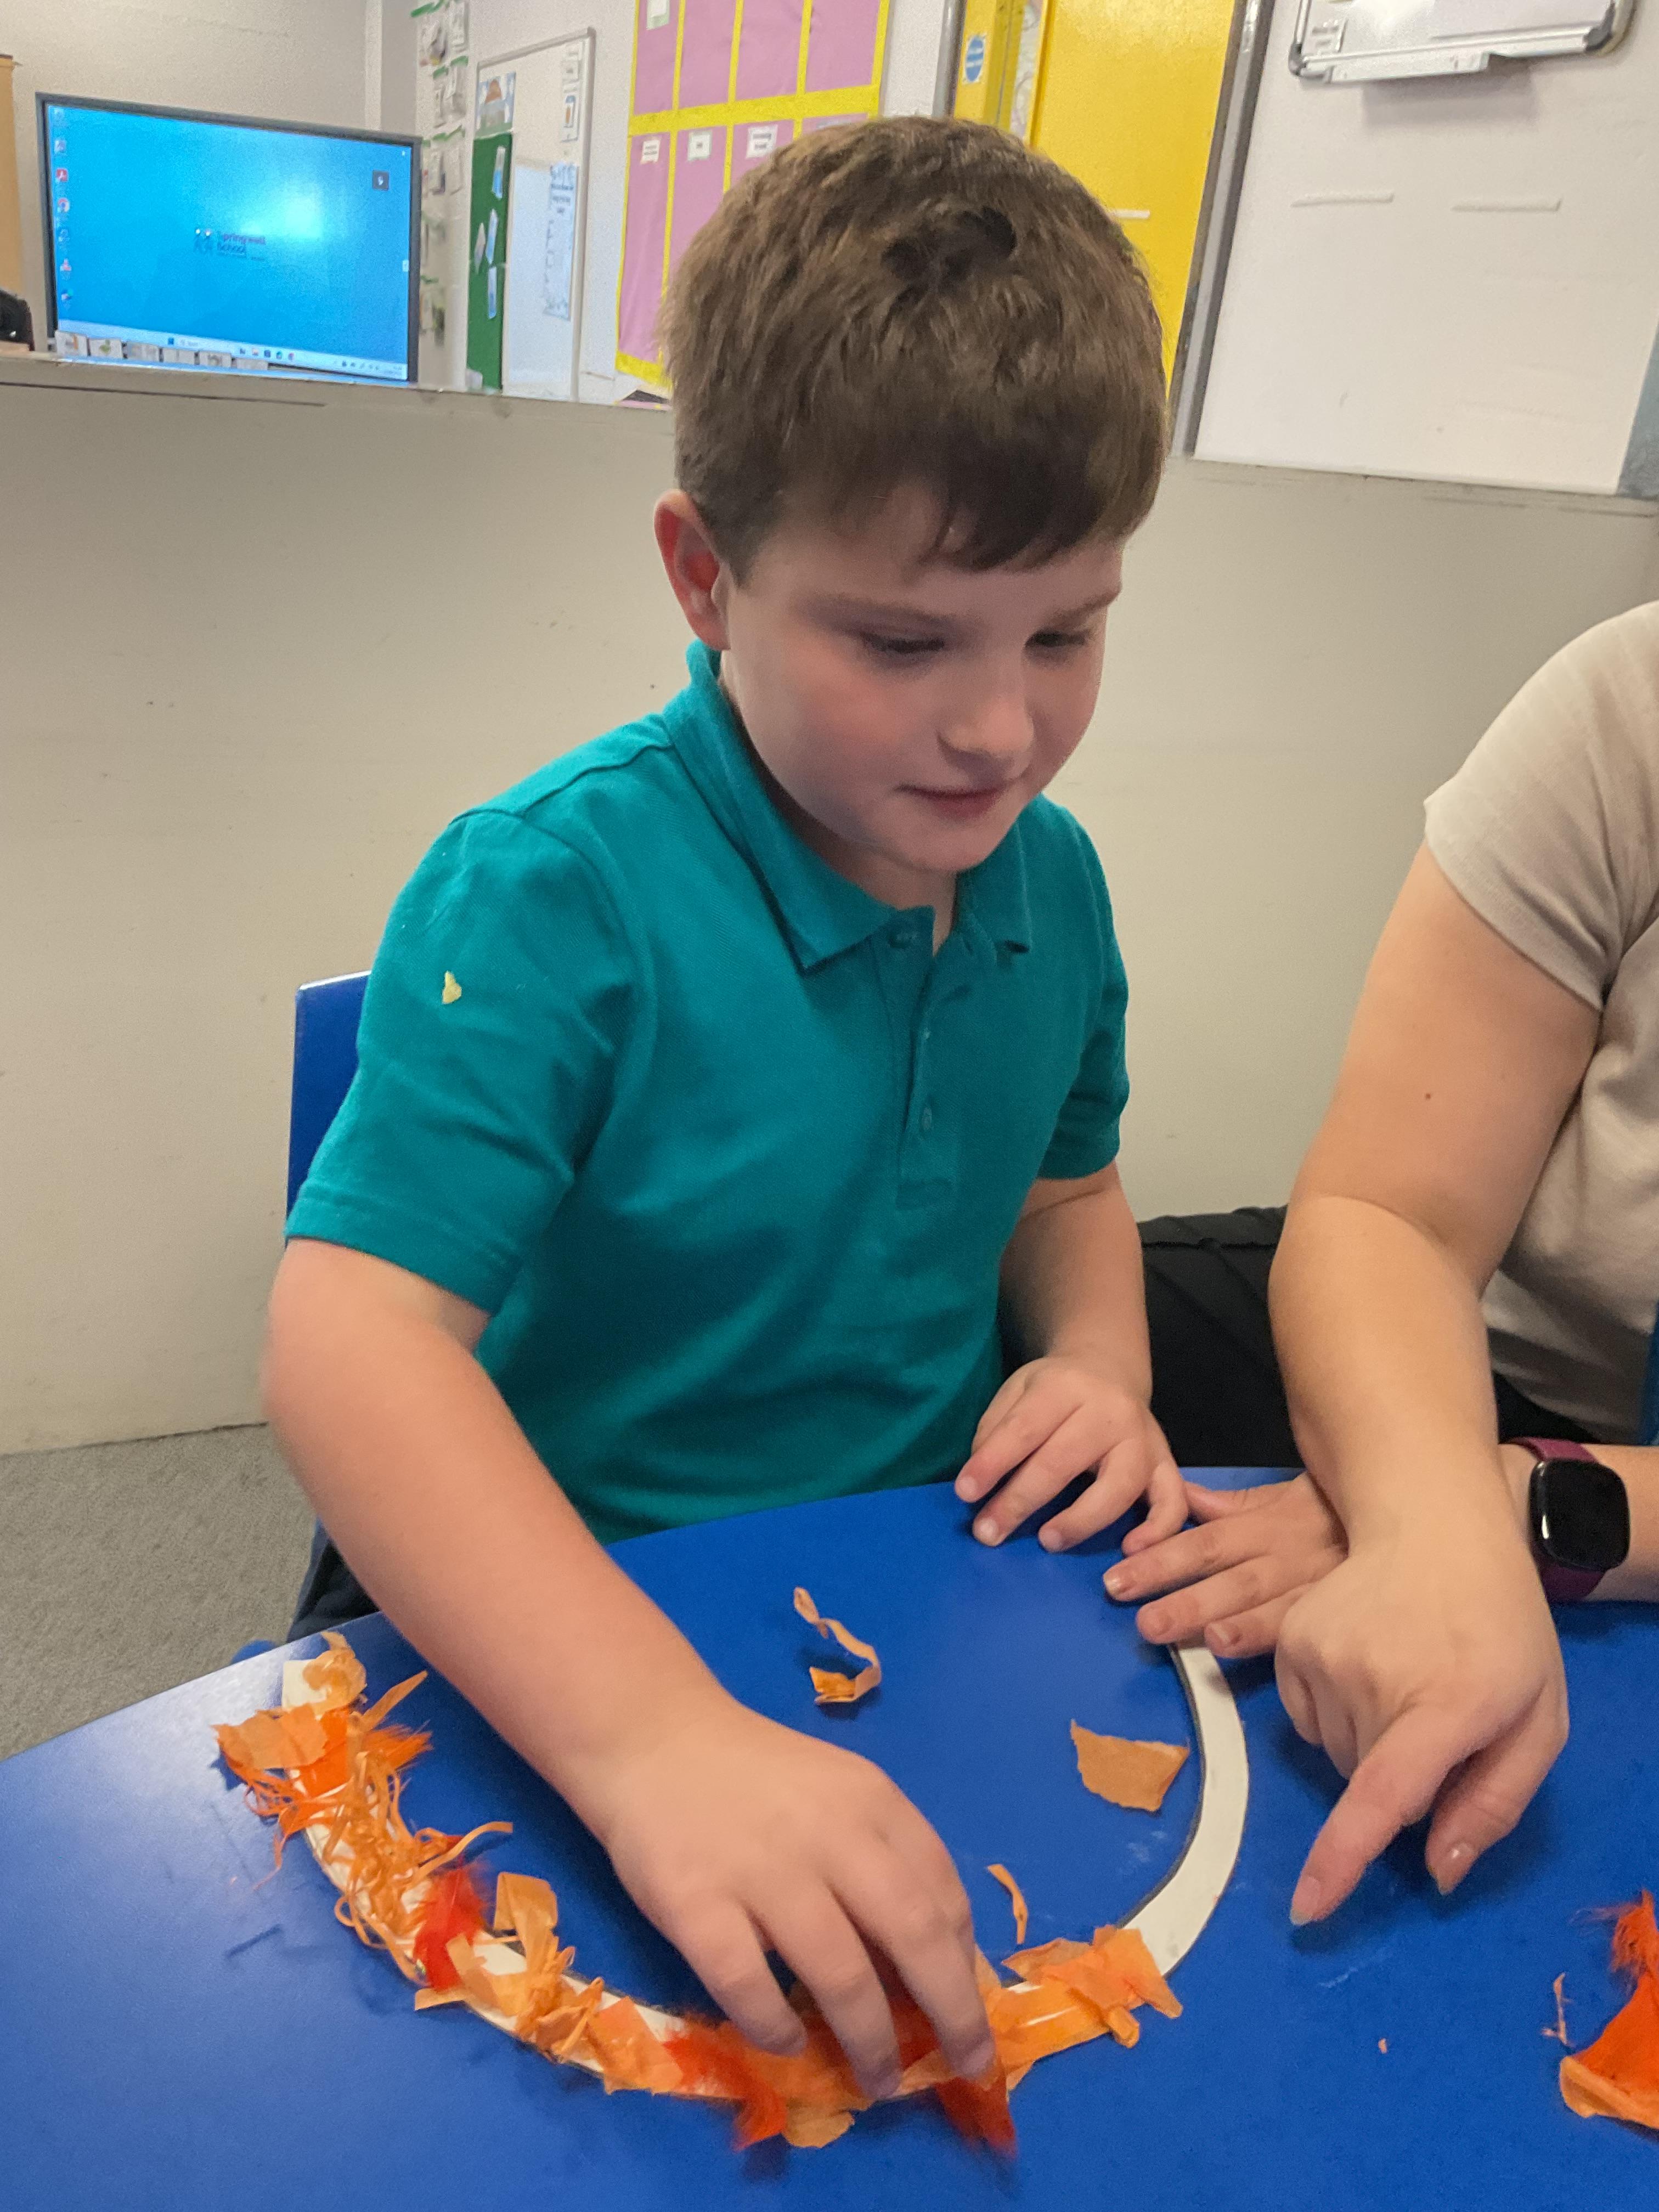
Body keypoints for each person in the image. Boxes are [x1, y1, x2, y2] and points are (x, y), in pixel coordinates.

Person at [264, 117, 1178, 2105]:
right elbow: (348, 1340)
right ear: (706, 576)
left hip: (904, 1597)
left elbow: (1066, 1189)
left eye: (1066, 630)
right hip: (562, 1635)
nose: (999, 728)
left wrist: (1098, 1361)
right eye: (901, 640)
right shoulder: (553, 895)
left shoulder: (1056, 884)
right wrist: (648, 1737)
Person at [1109, 604, 1659, 1922]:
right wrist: (1428, 1513)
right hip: (1497, 1355)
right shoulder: (1630, 706)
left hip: (1575, 1465)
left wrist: (1518, 1512)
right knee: (1078, 1335)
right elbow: (1390, 1212)